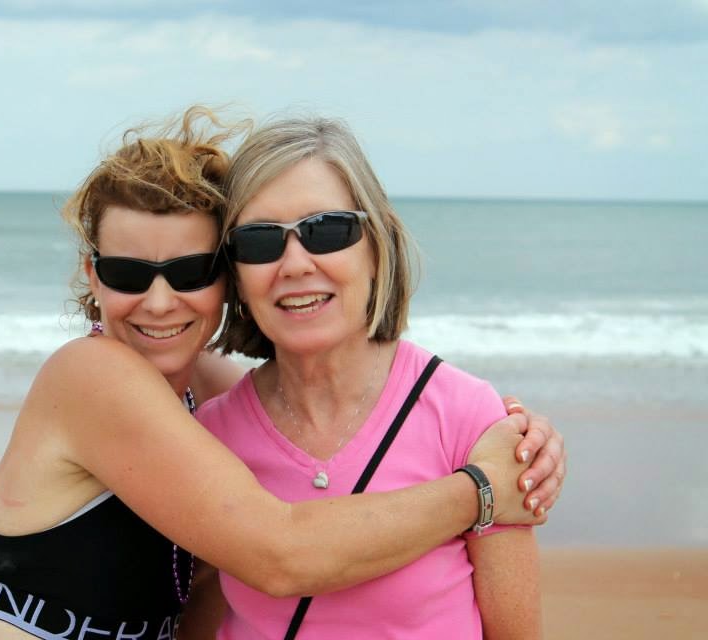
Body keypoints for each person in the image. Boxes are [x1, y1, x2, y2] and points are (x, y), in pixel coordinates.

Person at [0, 107, 565, 640]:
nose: (160, 302)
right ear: (93, 276)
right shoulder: (95, 375)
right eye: (127, 273)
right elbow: (281, 553)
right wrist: (481, 492)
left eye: (191, 271)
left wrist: (517, 439)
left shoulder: (211, 402)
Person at [196, 114, 547, 638]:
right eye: (259, 241)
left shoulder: (468, 415)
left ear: (377, 247)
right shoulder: (209, 437)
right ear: (236, 277)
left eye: (326, 230)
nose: (295, 265)